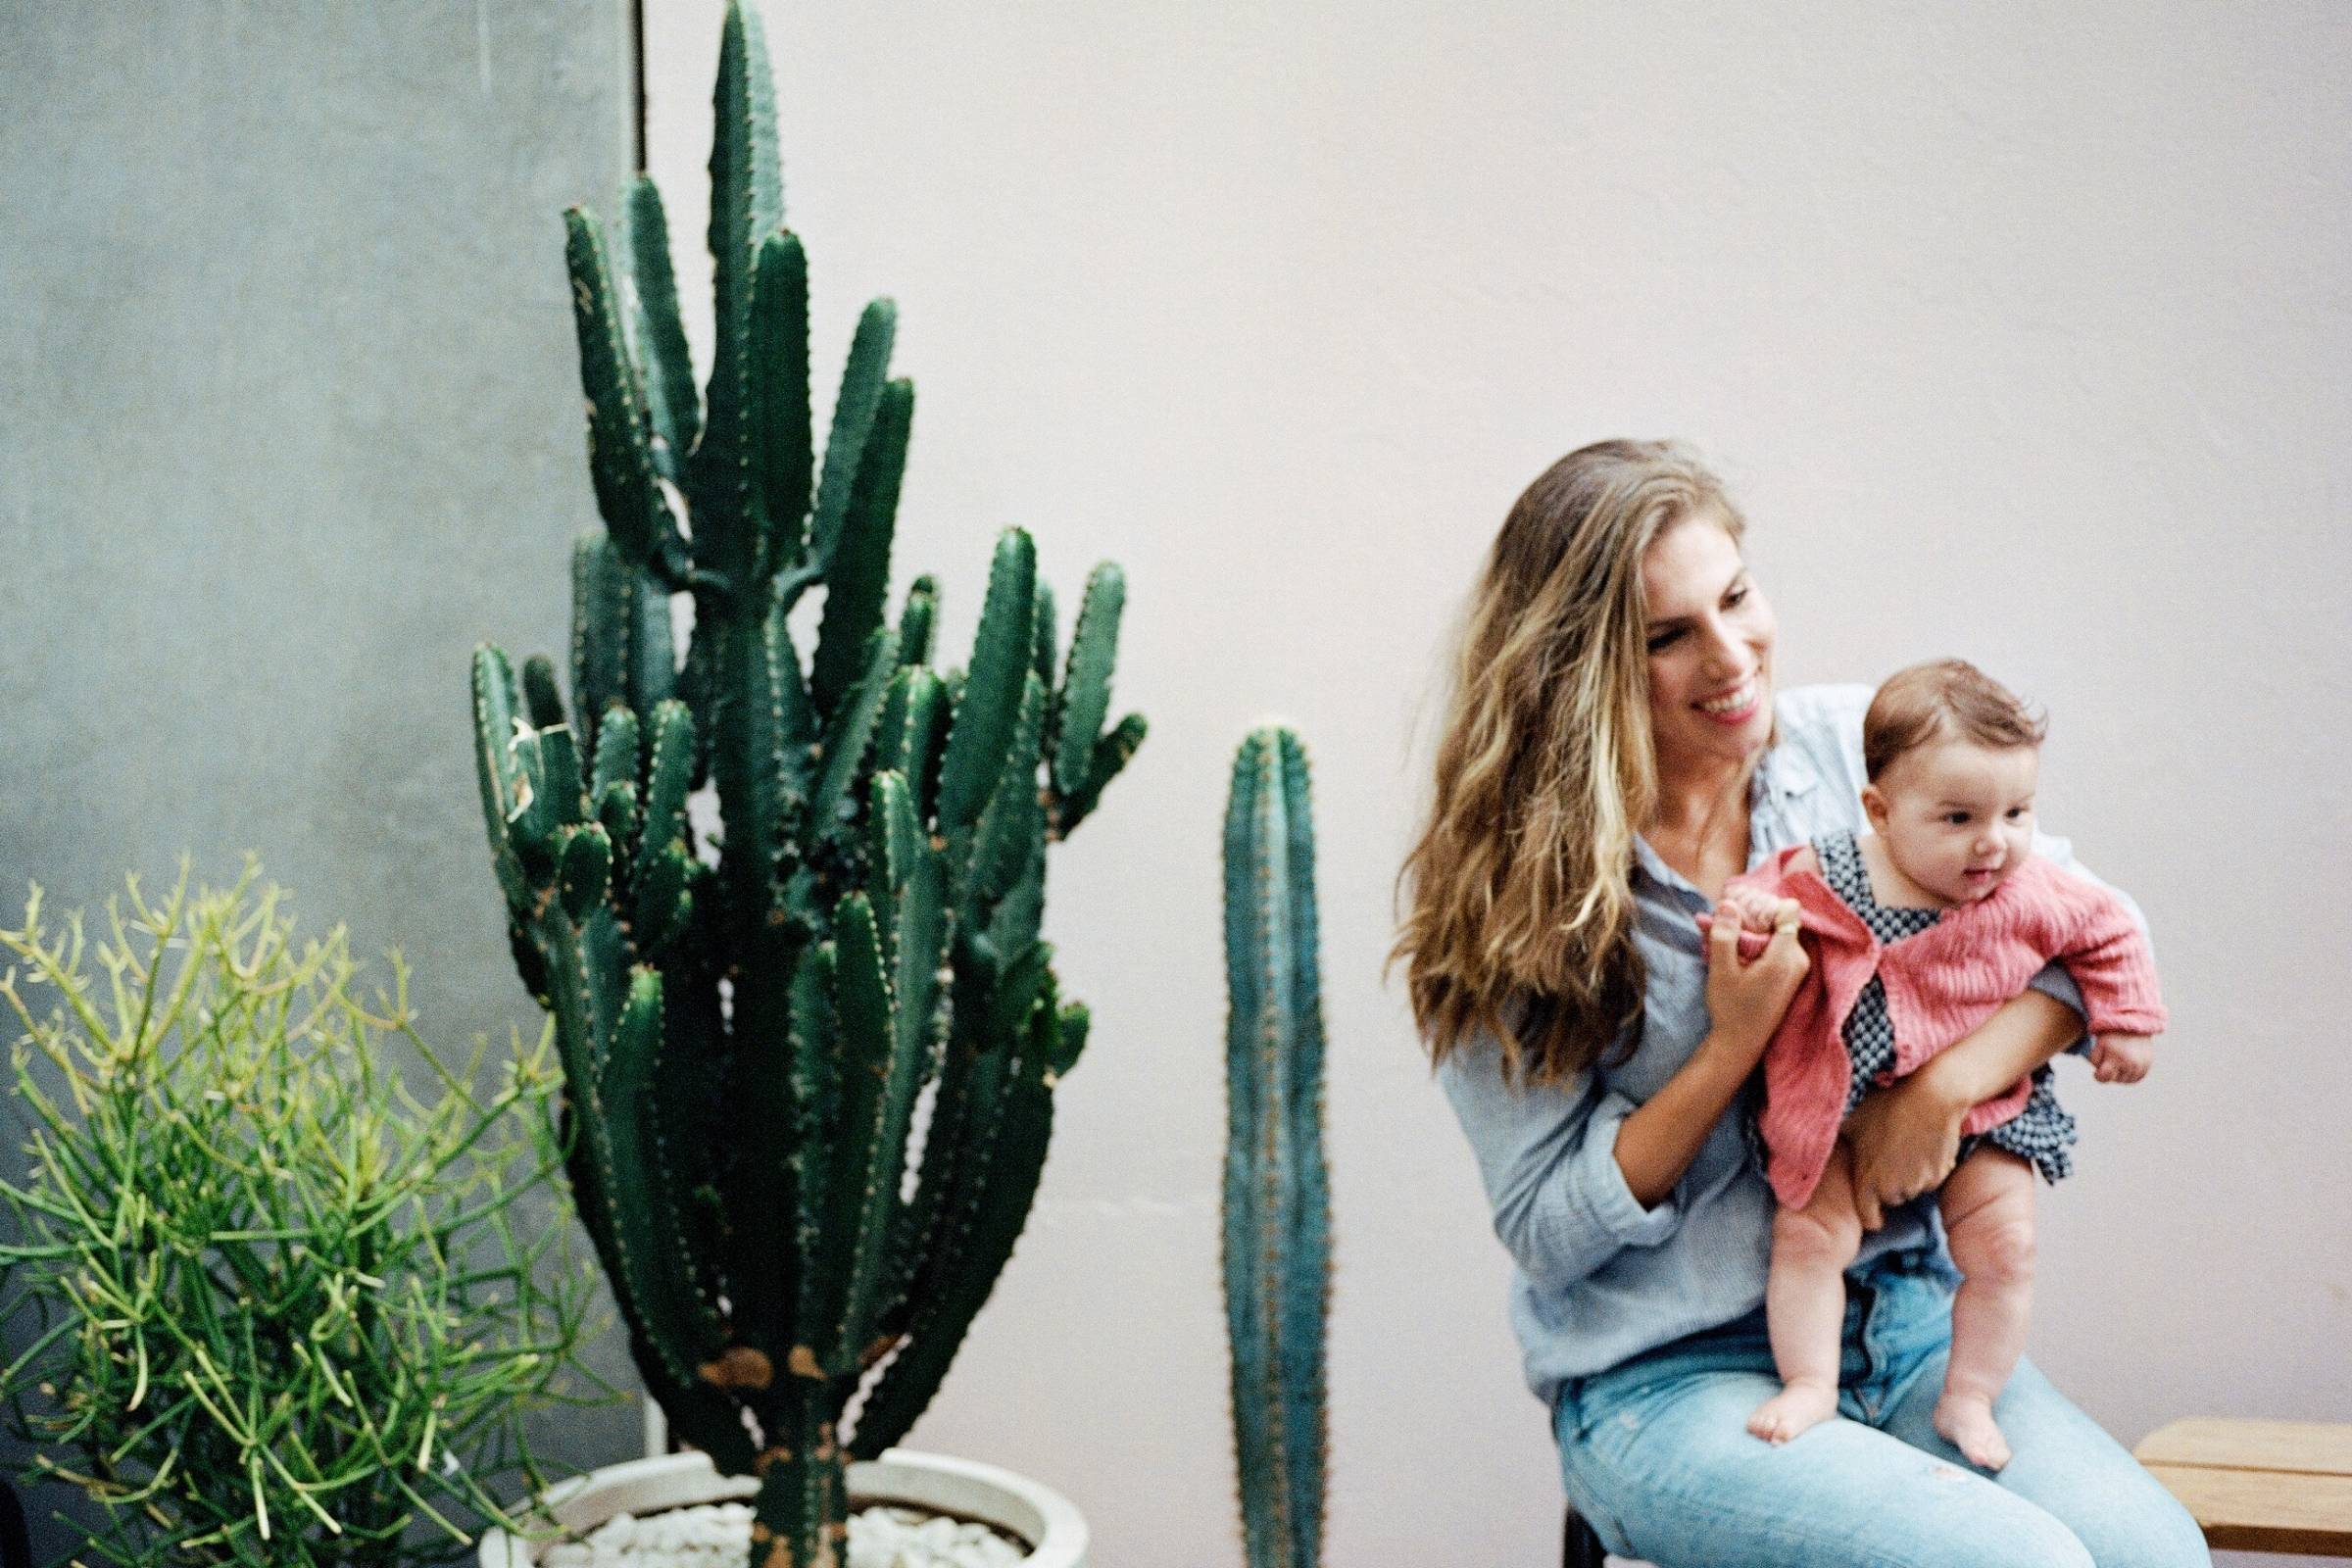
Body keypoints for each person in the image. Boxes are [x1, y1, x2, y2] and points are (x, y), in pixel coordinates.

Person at [1389, 440, 2208, 1566]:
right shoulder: (1515, 889)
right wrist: (1730, 1047)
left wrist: (1942, 1089)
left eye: (1735, 597)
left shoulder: (1849, 747)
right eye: (1668, 635)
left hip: (1910, 1329)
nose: (1731, 656)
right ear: (1579, 671)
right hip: (1667, 1380)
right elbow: (1547, 1227)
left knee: (2157, 1557)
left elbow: (2089, 934)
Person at [1711, 659, 2166, 1471]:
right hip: (1837, 1104)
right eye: (1958, 818)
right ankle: (1810, 1381)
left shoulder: (2028, 890)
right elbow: (1757, 898)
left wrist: (2127, 1020)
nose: (1994, 841)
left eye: (2017, 811)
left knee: (2006, 1248)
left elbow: (2111, 930)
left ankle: (1969, 1393)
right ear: (1881, 812)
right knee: (1811, 1238)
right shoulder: (1831, 873)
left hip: (1986, 1116)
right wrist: (1748, 918)